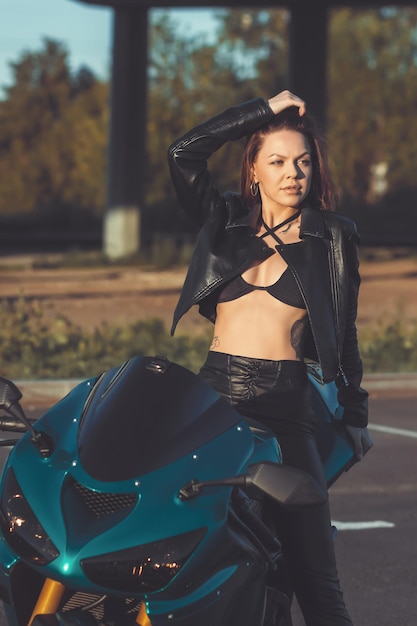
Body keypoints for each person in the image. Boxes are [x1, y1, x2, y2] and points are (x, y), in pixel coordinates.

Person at [167, 90, 373, 625]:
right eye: (277, 161)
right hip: (212, 400)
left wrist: (355, 414)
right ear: (253, 170)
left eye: (303, 162)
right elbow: (183, 153)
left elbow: (342, 331)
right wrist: (259, 111)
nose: (293, 173)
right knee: (196, 552)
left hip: (286, 405)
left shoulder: (332, 236)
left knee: (315, 576)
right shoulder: (224, 219)